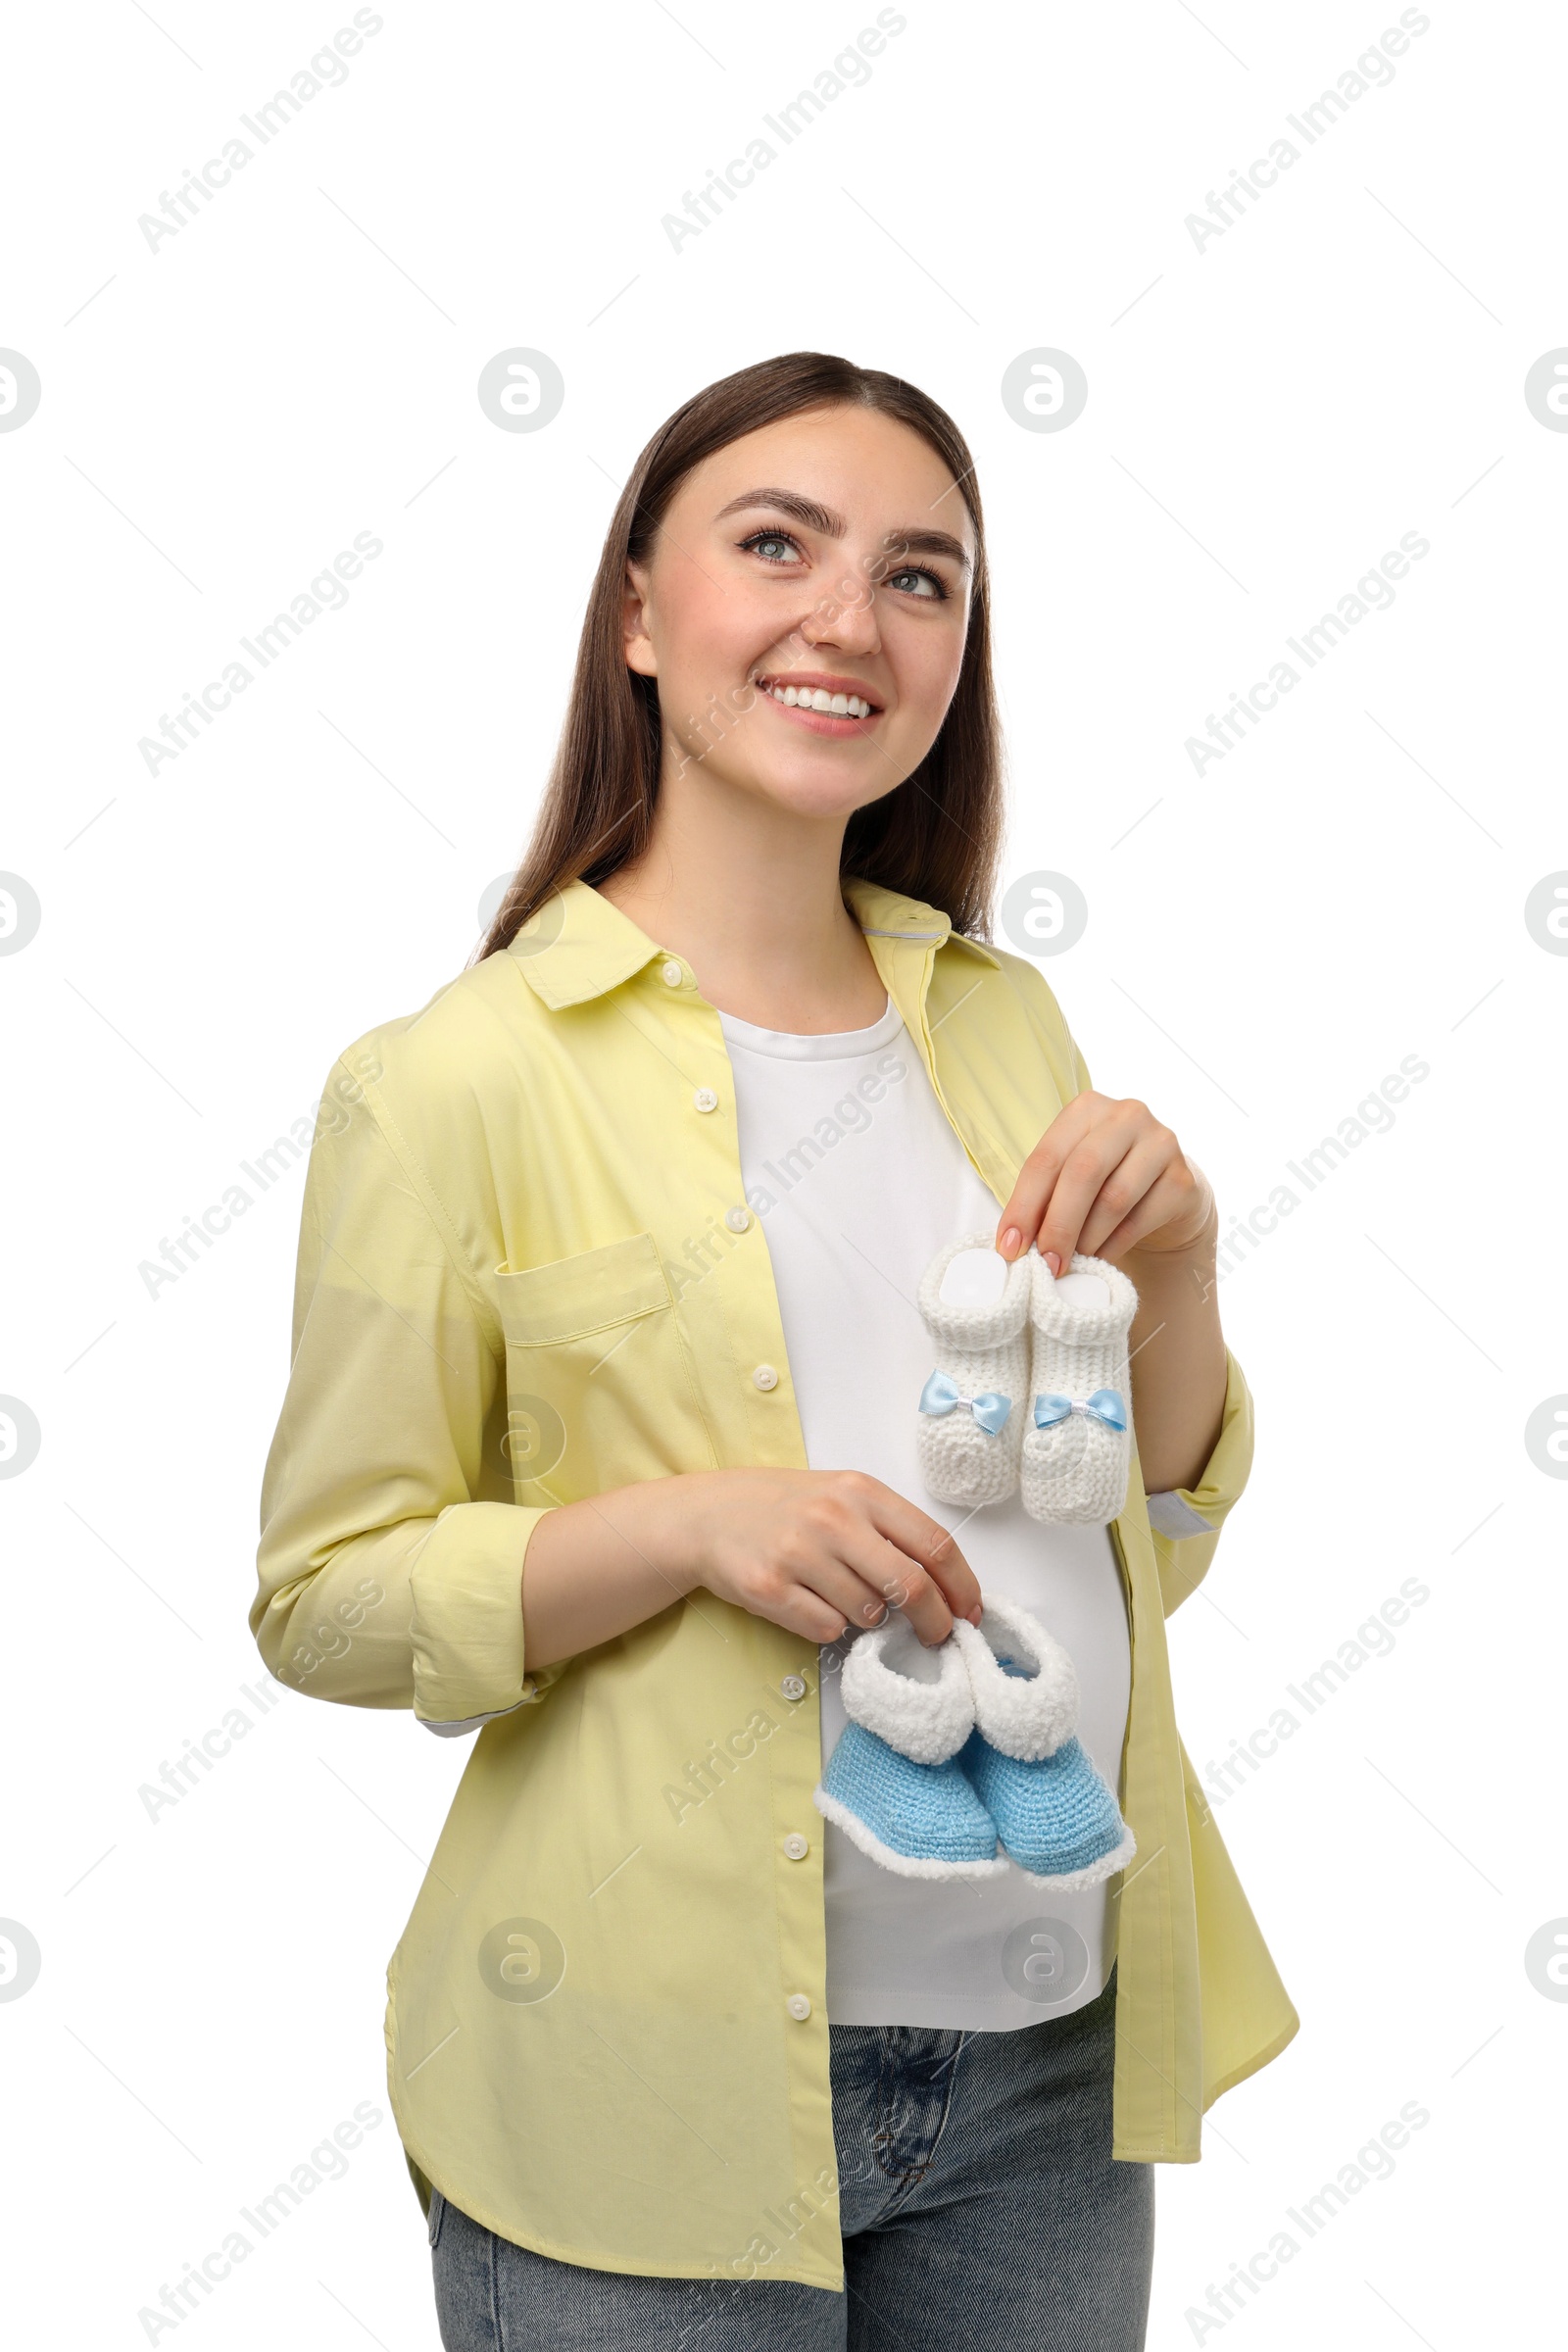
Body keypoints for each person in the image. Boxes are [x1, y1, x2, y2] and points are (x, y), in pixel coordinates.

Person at [251, 351, 1297, 2351]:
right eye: (774, 546)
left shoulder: (997, 1024)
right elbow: (324, 1601)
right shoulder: (445, 1085)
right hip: (643, 2068)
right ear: (638, 614)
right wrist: (683, 1531)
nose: (850, 618)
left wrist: (1173, 1279)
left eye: (922, 577)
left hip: (1050, 2057)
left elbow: (1134, 1554)